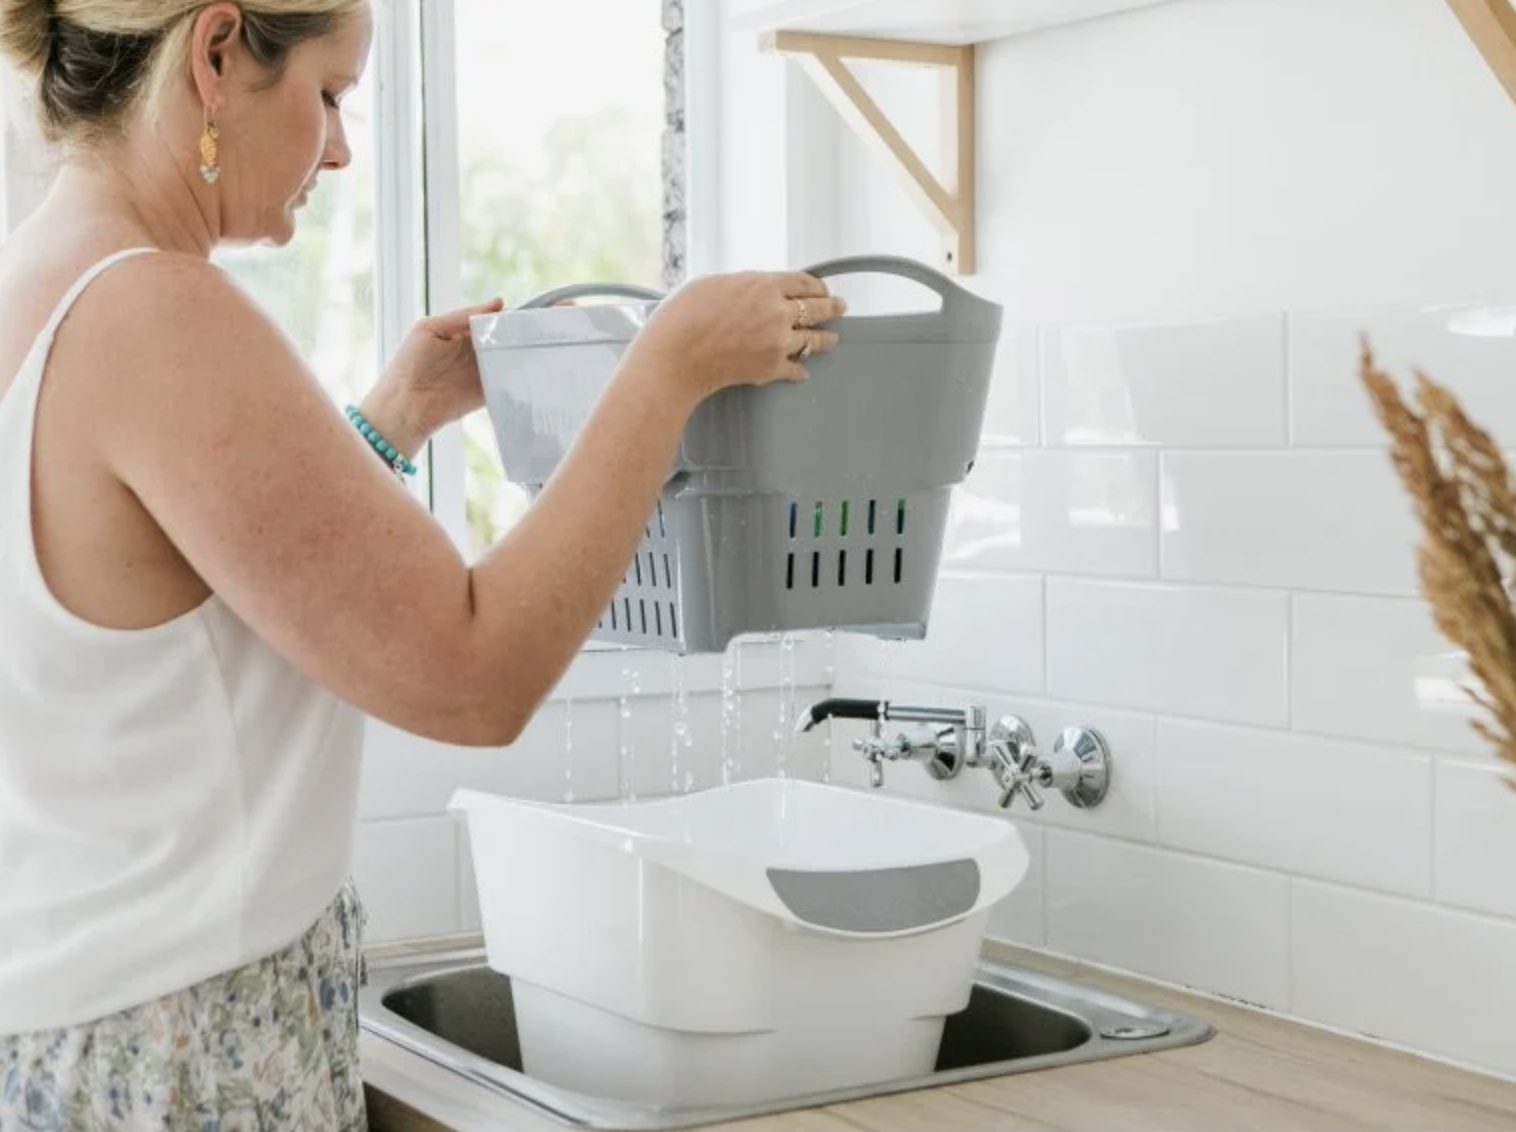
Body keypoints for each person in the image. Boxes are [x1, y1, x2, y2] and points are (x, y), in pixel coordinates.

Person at [0, 1, 843, 1127]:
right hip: (181, 1051)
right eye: (329, 94)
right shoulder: (156, 312)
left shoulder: (35, 287)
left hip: (72, 1037)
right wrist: (667, 366)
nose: (340, 147)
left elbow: (159, 606)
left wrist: (391, 419)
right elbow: (474, 671)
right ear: (213, 55)